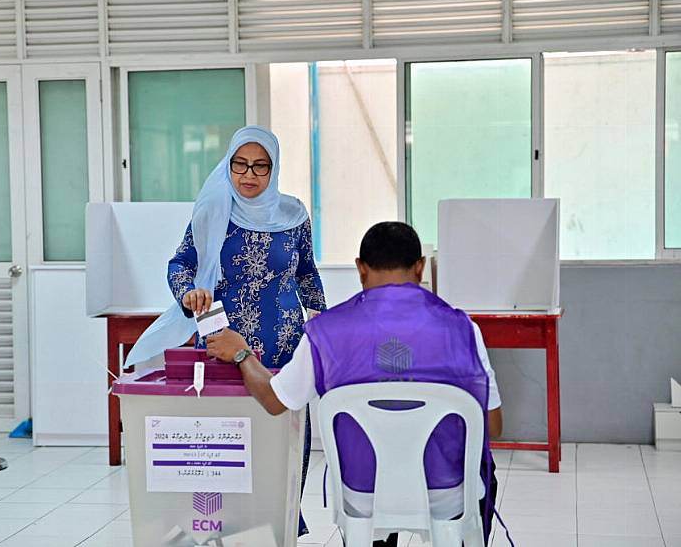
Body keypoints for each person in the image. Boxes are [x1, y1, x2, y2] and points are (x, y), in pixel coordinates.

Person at [207, 221, 503, 547]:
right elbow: (493, 425)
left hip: (363, 495)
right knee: (481, 477)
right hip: (445, 493)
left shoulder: (325, 332)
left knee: (371, 497)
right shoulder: (462, 329)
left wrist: (241, 353)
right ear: (420, 267)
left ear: (360, 269)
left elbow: (273, 400)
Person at [125, 125, 327, 536]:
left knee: (282, 442)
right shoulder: (213, 210)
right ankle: (220, 530)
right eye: (240, 164)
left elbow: (306, 274)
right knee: (223, 446)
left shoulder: (293, 216)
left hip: (284, 349)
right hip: (221, 346)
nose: (249, 175)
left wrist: (323, 321)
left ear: (274, 170)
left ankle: (280, 526)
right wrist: (188, 294)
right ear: (228, 166)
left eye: (260, 166)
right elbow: (180, 264)